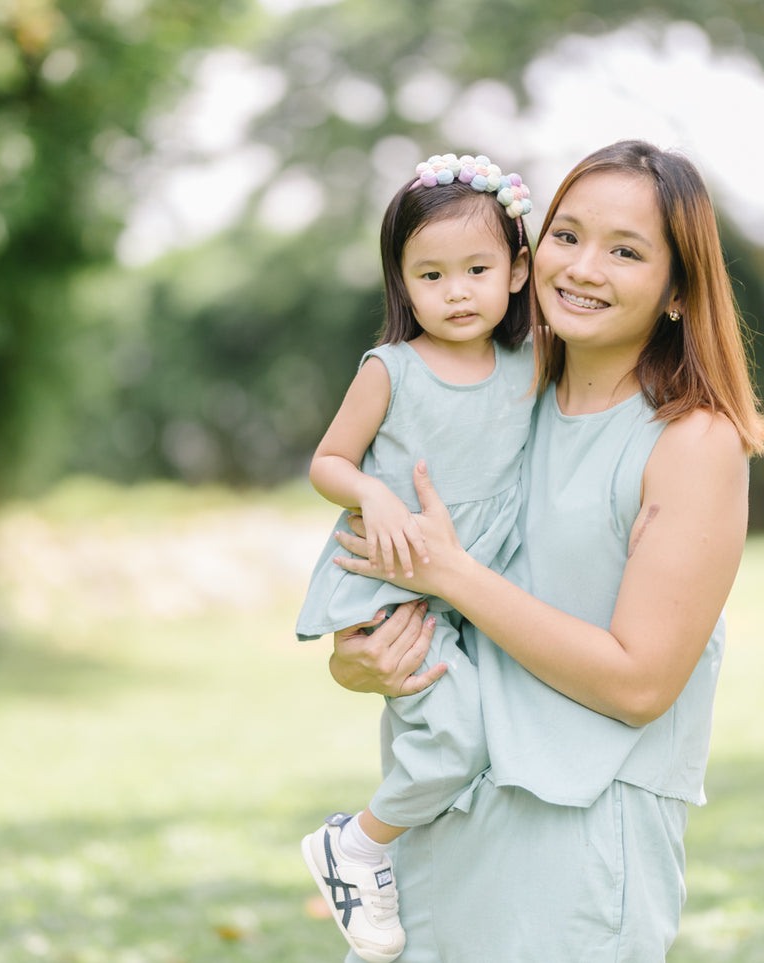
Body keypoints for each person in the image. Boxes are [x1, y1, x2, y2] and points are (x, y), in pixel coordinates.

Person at [324, 139, 764, 962]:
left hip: (574, 839)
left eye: (626, 251)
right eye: (567, 237)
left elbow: (641, 681)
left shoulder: (690, 443)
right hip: (440, 814)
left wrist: (451, 574)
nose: (582, 268)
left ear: (678, 290)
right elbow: (386, 580)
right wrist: (356, 660)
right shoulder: (495, 395)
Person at [295, 153, 536, 963]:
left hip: (479, 581)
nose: (457, 290)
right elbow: (328, 460)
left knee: (450, 738)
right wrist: (375, 494)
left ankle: (423, 896)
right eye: (430, 274)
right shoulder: (389, 369)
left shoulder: (529, 363)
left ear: (517, 270)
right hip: (398, 578)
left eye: (476, 268)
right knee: (453, 739)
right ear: (402, 283)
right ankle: (357, 845)